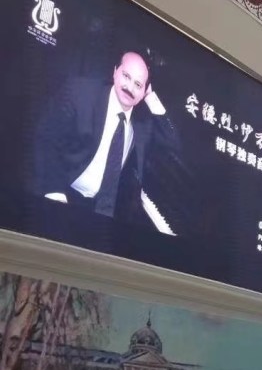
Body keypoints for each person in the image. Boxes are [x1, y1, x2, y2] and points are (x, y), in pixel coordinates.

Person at [34, 50, 182, 234]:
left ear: (144, 91)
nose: (129, 87)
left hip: (101, 209)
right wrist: (54, 192)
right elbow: (46, 140)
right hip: (63, 191)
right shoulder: (81, 93)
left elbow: (172, 142)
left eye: (138, 84)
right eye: (126, 76)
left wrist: (151, 98)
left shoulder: (142, 123)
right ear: (115, 71)